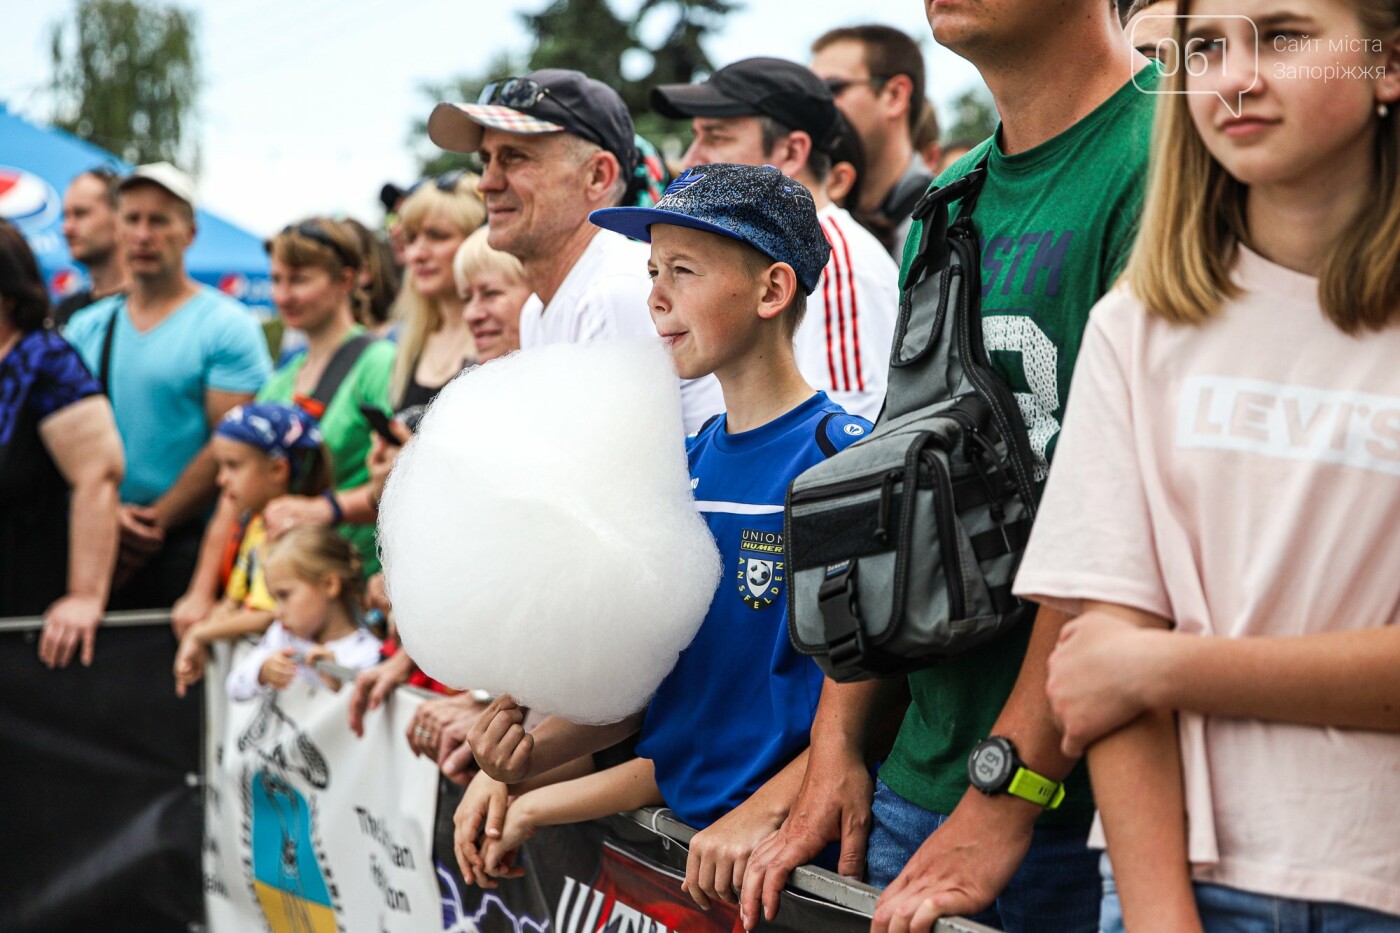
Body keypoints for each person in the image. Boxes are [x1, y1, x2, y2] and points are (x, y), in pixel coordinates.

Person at [740, 3, 1156, 931]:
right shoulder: (950, 197)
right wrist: (837, 745)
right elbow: (888, 494)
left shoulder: (1174, 154)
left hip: (1079, 802)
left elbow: (1125, 520)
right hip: (920, 777)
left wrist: (1010, 785)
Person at [1016, 2, 1400, 929]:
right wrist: (1157, 916)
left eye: (1284, 36)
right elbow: (1101, 658)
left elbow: (1124, 665)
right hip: (1181, 886)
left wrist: (1164, 667)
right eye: (1205, 46)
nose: (1236, 77)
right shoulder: (1138, 325)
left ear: (1387, 64)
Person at [458, 163, 874, 909]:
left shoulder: (843, 462)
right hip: (681, 850)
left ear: (773, 291)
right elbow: (663, 707)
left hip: (786, 878)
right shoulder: (677, 468)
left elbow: (876, 707)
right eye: (652, 269)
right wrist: (519, 761)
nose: (654, 296)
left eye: (682, 270)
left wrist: (766, 809)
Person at [426, 68, 724, 434]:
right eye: (486, 160)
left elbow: (616, 484)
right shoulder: (537, 309)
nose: (486, 182)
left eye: (515, 157)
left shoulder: (613, 289)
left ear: (598, 176)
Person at [352, 228, 532, 770]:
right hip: (467, 683)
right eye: (466, 297)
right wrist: (407, 660)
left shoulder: (544, 411)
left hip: (514, 700)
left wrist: (487, 700)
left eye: (490, 294)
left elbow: (535, 578)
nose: (472, 313)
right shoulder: (474, 401)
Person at [171, 219, 394, 636]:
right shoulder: (280, 380)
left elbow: (402, 482)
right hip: (282, 598)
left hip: (355, 595)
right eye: (276, 279)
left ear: (345, 280)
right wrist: (204, 592)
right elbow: (233, 490)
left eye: (299, 280)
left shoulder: (378, 364)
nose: (282, 295)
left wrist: (323, 508)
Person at [652, 56, 899, 422]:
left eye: (716, 137)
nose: (690, 159)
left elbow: (852, 446)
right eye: (695, 137)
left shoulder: (839, 257)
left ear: (792, 151)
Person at [0, 220, 123, 668]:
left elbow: (99, 474)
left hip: (28, 609)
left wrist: (84, 596)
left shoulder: (42, 359)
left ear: (8, 293)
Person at [173, 402, 334, 698]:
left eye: (233, 466)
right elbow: (237, 600)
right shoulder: (255, 523)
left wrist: (201, 633)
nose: (221, 480)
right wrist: (218, 617)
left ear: (277, 469)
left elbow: (269, 615)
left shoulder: (291, 538)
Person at [809, 25, 934, 256]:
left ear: (895, 95)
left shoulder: (948, 217)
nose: (815, 106)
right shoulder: (815, 214)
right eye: (809, 93)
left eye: (831, 88)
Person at [226, 525, 381, 701]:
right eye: (274, 599)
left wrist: (338, 680)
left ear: (329, 585)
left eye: (284, 595)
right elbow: (234, 688)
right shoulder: (283, 635)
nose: (277, 612)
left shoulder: (369, 654)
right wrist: (262, 670)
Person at [391, 172, 484, 408]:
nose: (417, 254)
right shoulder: (410, 340)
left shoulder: (499, 336)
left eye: (437, 236)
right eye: (411, 239)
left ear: (477, 242)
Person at [54, 167, 128, 328]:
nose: (67, 228)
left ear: (121, 217)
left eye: (80, 214)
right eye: (65, 216)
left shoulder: (145, 311)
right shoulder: (64, 314)